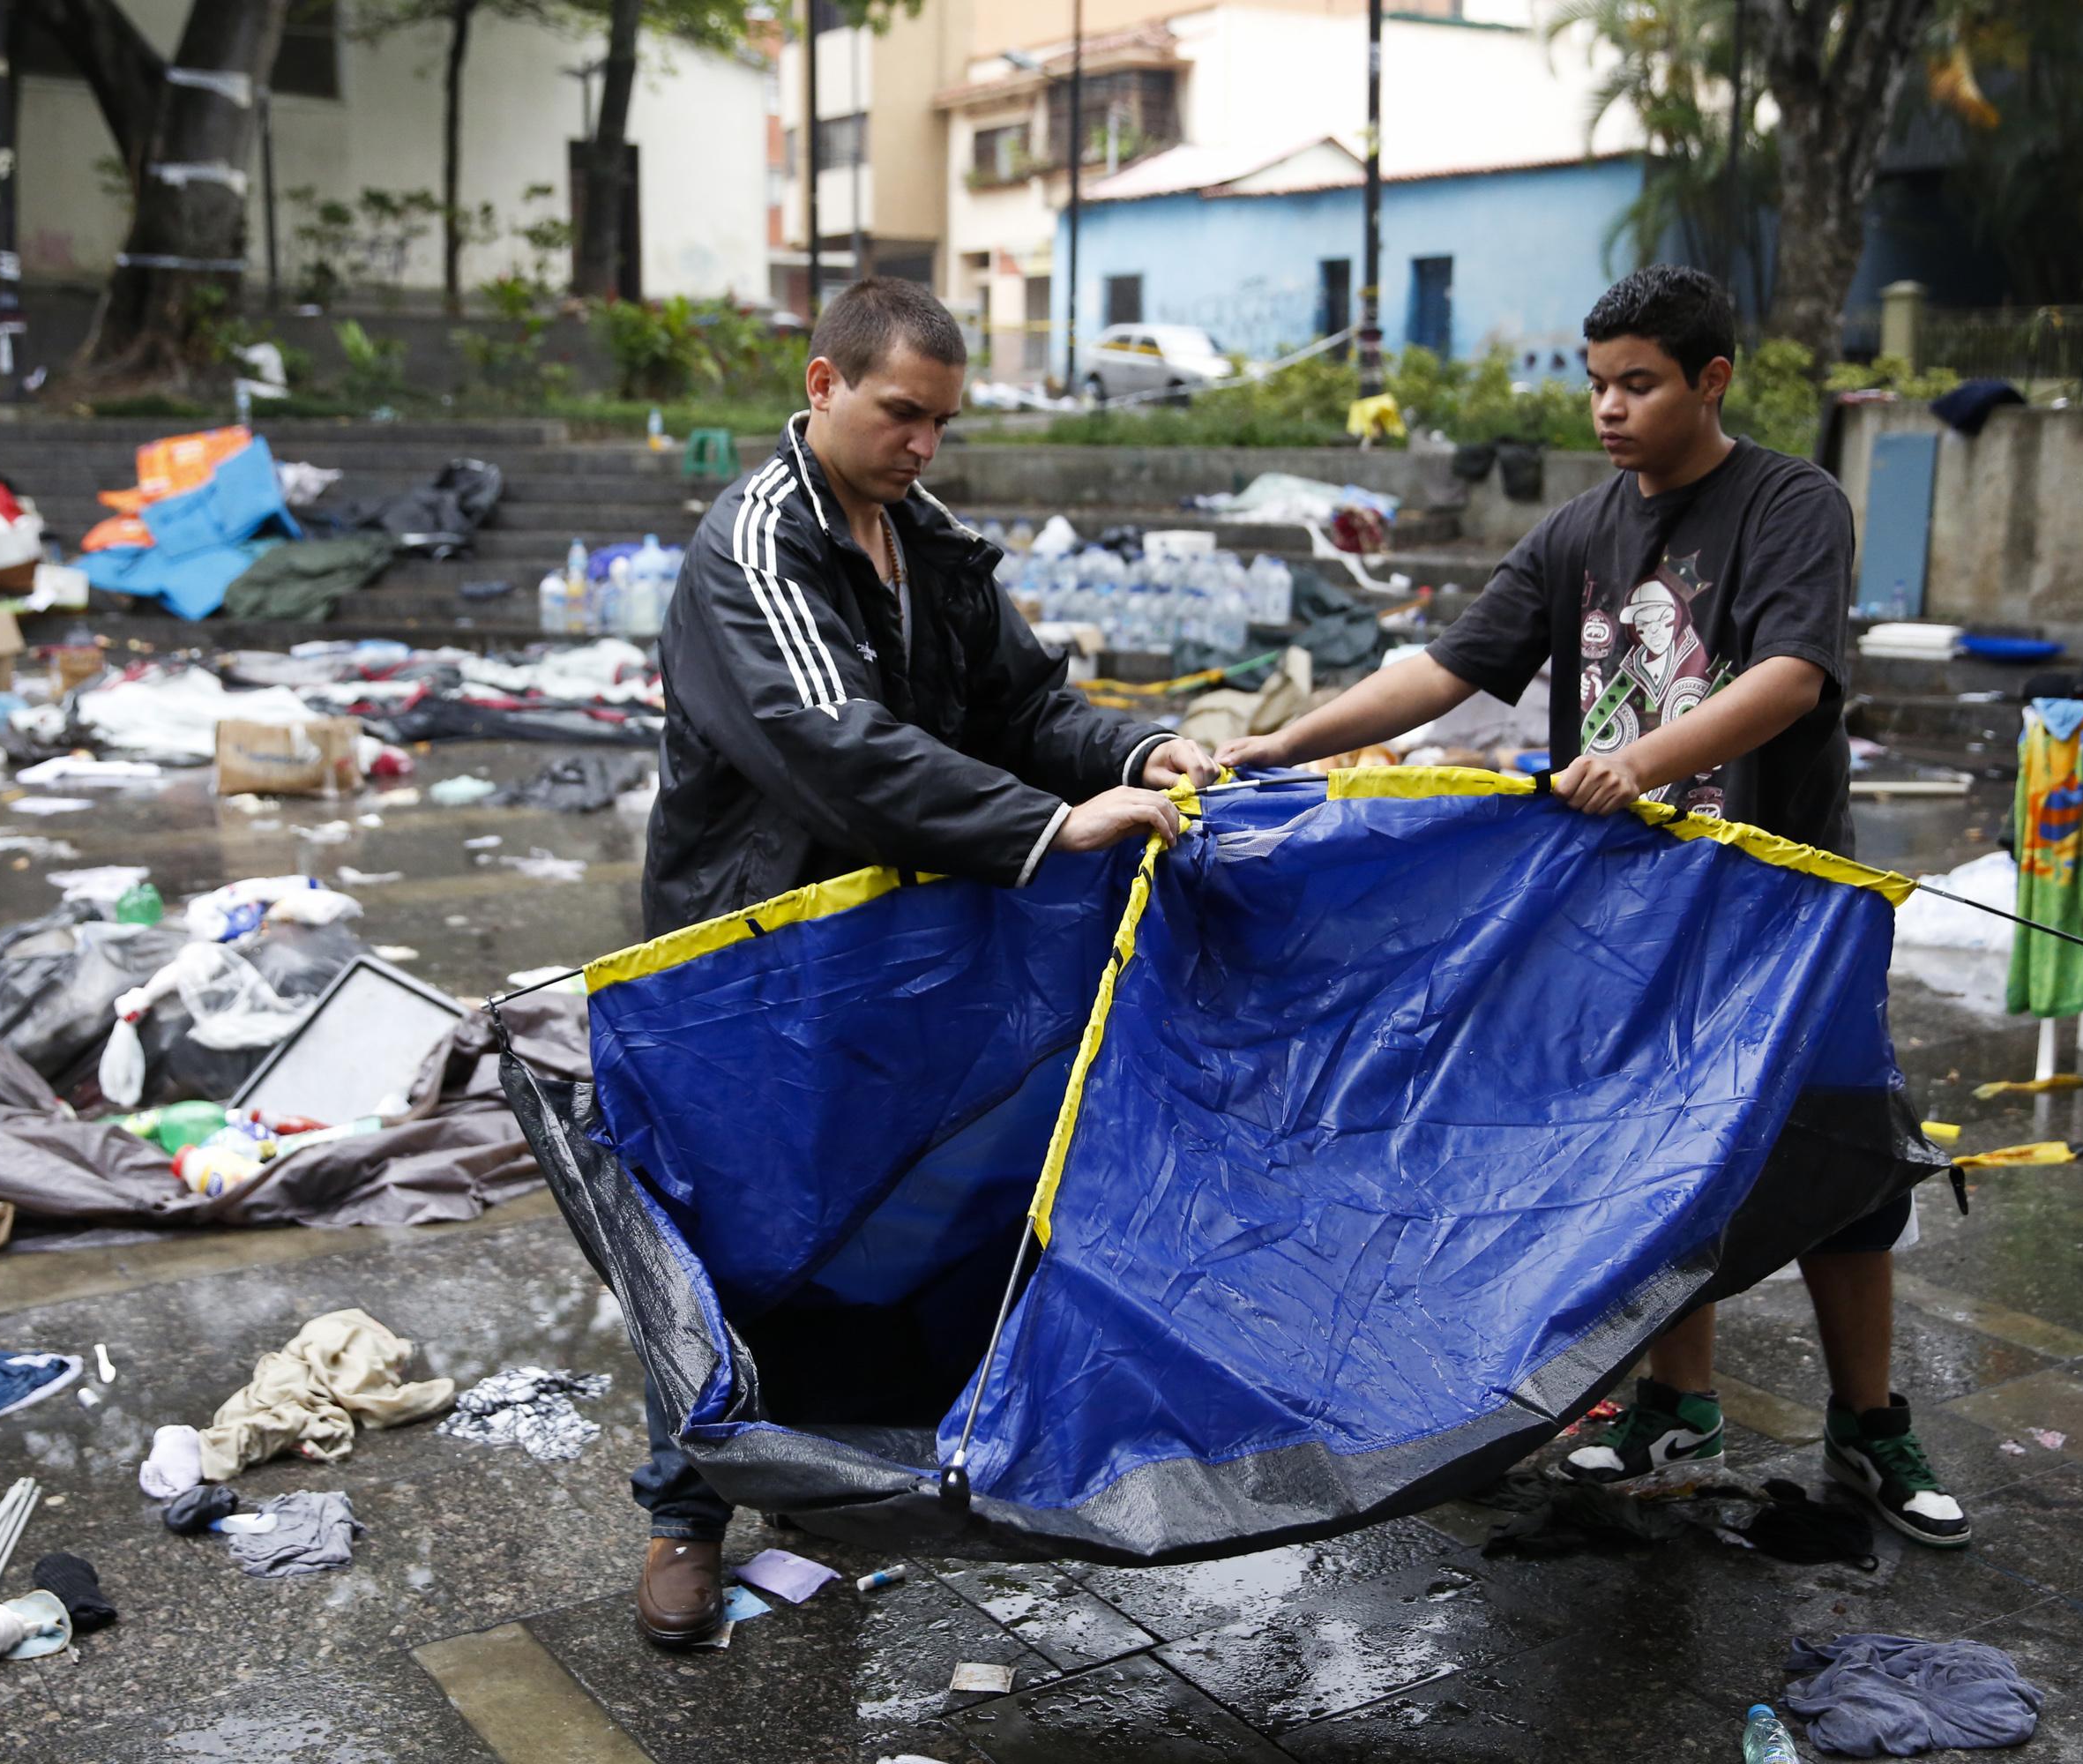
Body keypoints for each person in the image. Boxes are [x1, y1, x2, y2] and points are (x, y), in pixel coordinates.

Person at [1216, 265, 1969, 1551]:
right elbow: (1447, 671)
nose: (1610, 410)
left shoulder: (1790, 505)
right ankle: (1677, 1403)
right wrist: (1276, 749)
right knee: (1647, 1156)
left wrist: (1644, 758)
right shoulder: (1580, 534)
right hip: (1633, 908)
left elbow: (1792, 676)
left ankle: (1870, 1426)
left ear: (1710, 379)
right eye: (1598, 385)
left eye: (1640, 384)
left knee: (1845, 1162)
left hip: (1783, 904)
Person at [632, 276, 1218, 1646]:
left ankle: (813, 1471)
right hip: (757, 955)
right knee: (720, 1227)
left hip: (890, 946)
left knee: (858, 1211)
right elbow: (834, 746)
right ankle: (682, 1512)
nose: (921, 446)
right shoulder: (755, 545)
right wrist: (1051, 824)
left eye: (943, 424)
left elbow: (1022, 704)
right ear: (822, 383)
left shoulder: (925, 540)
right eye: (902, 413)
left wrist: (1137, 754)